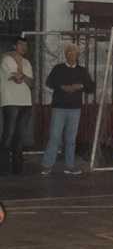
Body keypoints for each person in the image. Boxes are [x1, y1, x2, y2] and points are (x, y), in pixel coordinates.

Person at [41, 43, 96, 175]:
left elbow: (91, 87)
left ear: (77, 55)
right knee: (55, 137)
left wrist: (80, 86)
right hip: (59, 107)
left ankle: (70, 166)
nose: (71, 54)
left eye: (74, 52)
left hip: (75, 108)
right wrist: (62, 87)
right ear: (65, 55)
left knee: (71, 139)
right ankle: (47, 165)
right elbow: (49, 82)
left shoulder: (82, 71)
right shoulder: (58, 68)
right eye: (69, 52)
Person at [0, 36, 34, 175]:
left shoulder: (27, 62)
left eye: (25, 45)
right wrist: (20, 68)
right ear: (14, 46)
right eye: (21, 45)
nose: (24, 48)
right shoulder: (6, 60)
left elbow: (31, 83)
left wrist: (22, 72)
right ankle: (3, 167)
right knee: (8, 135)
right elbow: (18, 79)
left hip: (26, 102)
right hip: (11, 101)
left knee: (19, 136)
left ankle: (17, 168)